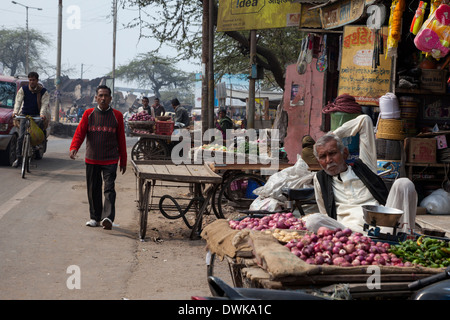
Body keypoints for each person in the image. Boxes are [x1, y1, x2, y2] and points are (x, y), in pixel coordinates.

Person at [312, 114, 417, 234]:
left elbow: (364, 121)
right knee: (314, 221)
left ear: (344, 153)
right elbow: (325, 213)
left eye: (332, 153)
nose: (328, 160)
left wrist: (332, 136)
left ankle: (406, 236)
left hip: (383, 226)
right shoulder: (319, 179)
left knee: (404, 183)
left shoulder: (364, 166)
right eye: (322, 157)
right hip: (348, 232)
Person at [69, 85, 127, 230]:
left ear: (110, 98)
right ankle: (94, 217)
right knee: (93, 188)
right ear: (96, 98)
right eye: (100, 95)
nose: (103, 98)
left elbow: (121, 140)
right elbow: (80, 132)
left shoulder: (117, 116)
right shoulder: (88, 114)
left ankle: (107, 217)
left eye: (106, 95)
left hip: (111, 159)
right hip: (92, 158)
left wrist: (123, 160)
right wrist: (74, 147)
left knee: (109, 188)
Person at [12, 71, 50, 168]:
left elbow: (44, 105)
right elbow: (18, 101)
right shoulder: (23, 89)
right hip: (25, 115)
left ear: (37, 80)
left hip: (37, 115)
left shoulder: (43, 92)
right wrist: (15, 112)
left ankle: (37, 145)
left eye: (33, 80)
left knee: (38, 132)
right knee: (20, 138)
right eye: (30, 80)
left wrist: (42, 114)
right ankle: (18, 158)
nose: (31, 82)